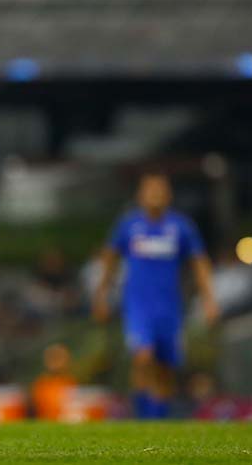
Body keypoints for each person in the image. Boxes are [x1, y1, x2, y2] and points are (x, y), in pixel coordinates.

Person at [91, 173, 219, 419]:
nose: (155, 195)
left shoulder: (181, 227)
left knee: (165, 366)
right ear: (140, 195)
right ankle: (143, 415)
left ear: (169, 195)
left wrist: (209, 299)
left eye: (160, 190)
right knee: (142, 357)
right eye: (151, 190)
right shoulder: (129, 226)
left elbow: (199, 263)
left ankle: (160, 419)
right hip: (138, 304)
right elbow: (110, 259)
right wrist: (101, 295)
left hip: (170, 305)